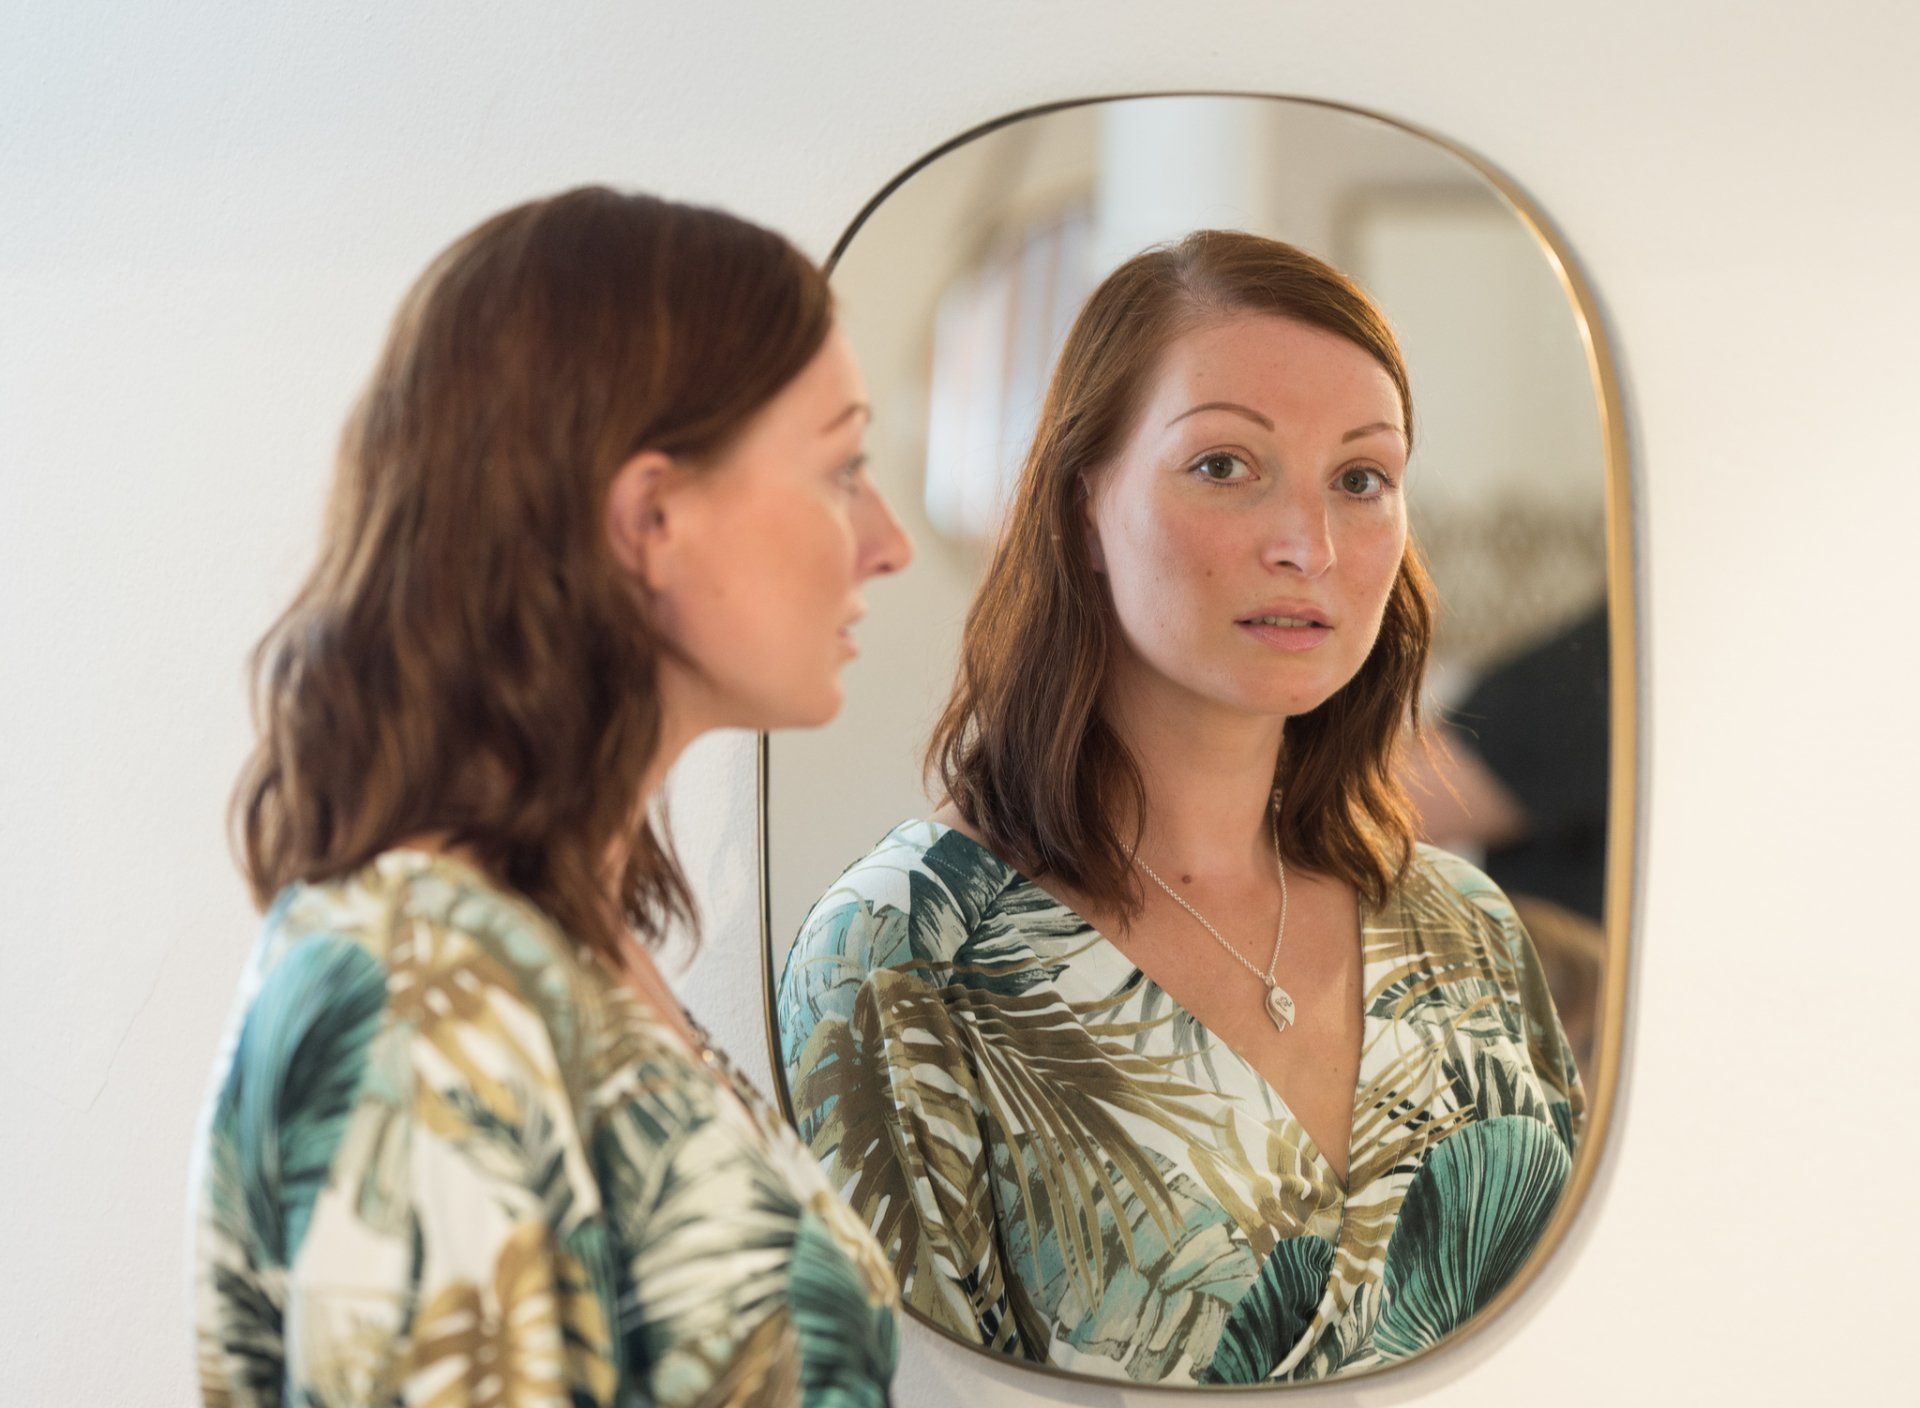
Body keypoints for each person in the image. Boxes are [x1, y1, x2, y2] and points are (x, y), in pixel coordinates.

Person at [776, 229, 1585, 1385]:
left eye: (1361, 479)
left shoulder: (1466, 933)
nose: (1308, 545)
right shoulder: (909, 954)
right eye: (1224, 465)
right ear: (1082, 504)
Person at [190, 187, 914, 1407]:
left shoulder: (549, 947)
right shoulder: (426, 994)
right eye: (841, 468)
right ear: (652, 519)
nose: (887, 540)